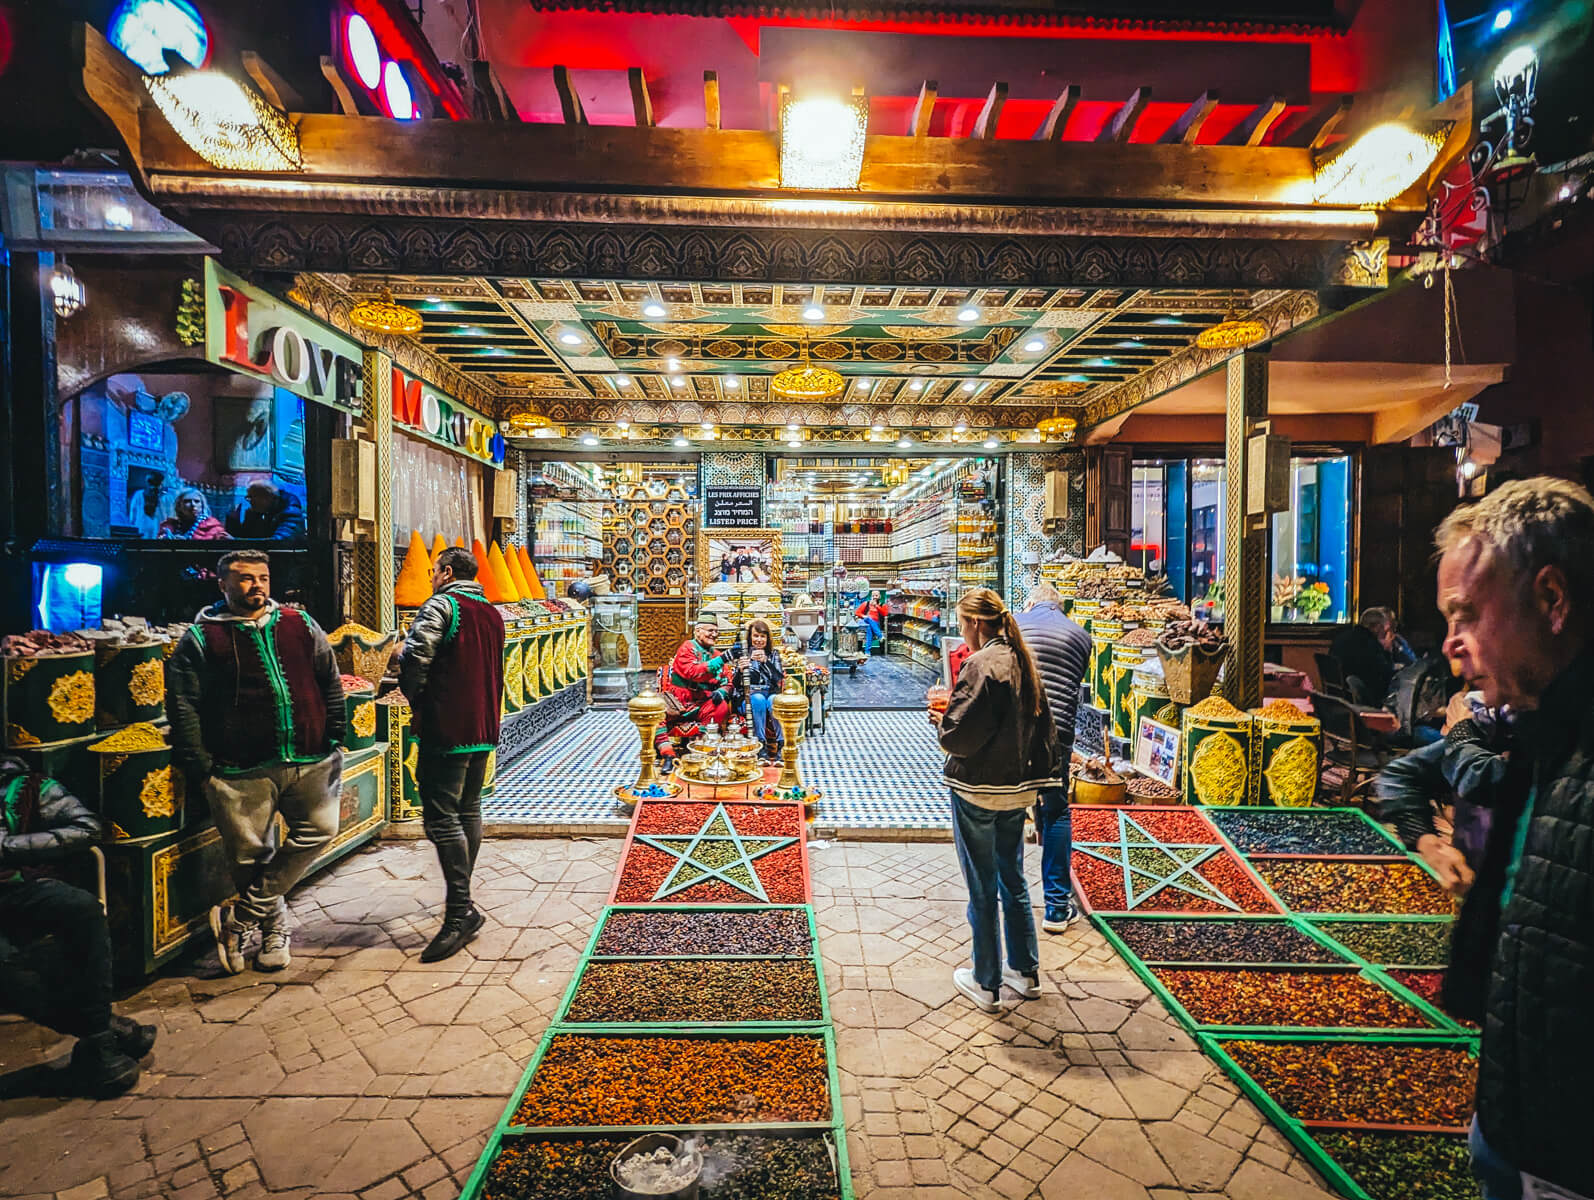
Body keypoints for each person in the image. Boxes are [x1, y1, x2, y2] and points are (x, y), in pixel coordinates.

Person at [1422, 477, 1594, 1200]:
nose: (1450, 643)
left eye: (1466, 613)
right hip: (1518, 1122)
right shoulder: (1546, 732)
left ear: (1552, 600)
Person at [167, 549, 345, 975]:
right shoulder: (201, 638)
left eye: (263, 578)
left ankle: (241, 918)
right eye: (245, 579)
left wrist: (335, 731)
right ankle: (273, 929)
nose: (257, 586)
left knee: (321, 829)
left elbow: (329, 676)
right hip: (240, 764)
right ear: (222, 584)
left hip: (310, 755)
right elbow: (184, 704)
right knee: (250, 855)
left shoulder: (300, 624)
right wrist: (200, 763)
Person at [930, 588, 1060, 1012]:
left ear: (978, 624)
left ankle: (985, 981)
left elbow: (959, 737)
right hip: (1017, 788)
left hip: (979, 790)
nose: (963, 632)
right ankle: (1024, 972)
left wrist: (941, 721)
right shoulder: (1024, 660)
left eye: (964, 624)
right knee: (1013, 879)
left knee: (982, 886)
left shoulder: (979, 665)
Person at [0, 756, 157, 1096]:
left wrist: (8, 847)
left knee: (82, 909)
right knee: (5, 968)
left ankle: (101, 1036)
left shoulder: (25, 785)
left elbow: (87, 827)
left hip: (15, 884)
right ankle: (103, 1035)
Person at [398, 546, 505, 961]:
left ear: (444, 571)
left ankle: (459, 914)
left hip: (447, 725)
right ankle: (464, 908)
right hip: (482, 726)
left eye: (432, 571)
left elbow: (415, 658)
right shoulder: (492, 612)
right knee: (468, 810)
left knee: (442, 818)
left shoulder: (441, 605)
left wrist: (417, 699)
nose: (431, 578)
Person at [1015, 581, 1091, 933]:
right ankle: (1057, 908)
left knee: (1010, 810)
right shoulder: (1081, 635)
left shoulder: (1016, 624)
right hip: (1057, 735)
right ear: (1060, 608)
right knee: (1056, 810)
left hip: (1015, 732)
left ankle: (1010, 902)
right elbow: (1075, 687)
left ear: (1030, 603)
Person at [658, 619, 737, 764]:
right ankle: (667, 753)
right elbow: (693, 672)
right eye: (710, 630)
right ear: (698, 631)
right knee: (655, 713)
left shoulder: (716, 654)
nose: (714, 634)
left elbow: (728, 681)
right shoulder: (687, 648)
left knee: (721, 707)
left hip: (701, 701)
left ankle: (702, 746)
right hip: (677, 700)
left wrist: (722, 691)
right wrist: (724, 658)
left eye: (716, 631)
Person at [1328, 607, 1403, 707]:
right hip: (1362, 700)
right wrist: (1387, 650)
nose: (1385, 633)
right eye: (1384, 630)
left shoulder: (1341, 638)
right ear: (1377, 627)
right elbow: (1385, 677)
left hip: (1338, 695)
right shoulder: (1370, 644)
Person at [738, 618, 786, 762]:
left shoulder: (773, 654)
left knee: (773, 700)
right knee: (758, 699)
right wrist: (741, 670)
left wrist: (767, 662)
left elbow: (778, 678)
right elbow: (735, 684)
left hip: (769, 693)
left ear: (767, 638)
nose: (759, 640)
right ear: (750, 637)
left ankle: (781, 744)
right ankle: (761, 745)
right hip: (748, 697)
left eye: (762, 636)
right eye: (756, 636)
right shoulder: (743, 654)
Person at [224, 481, 306, 540]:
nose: (249, 501)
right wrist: (235, 520)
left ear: (266, 498)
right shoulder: (267, 511)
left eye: (251, 497)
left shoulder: (291, 514)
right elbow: (251, 536)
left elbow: (278, 542)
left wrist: (235, 541)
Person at [158, 487, 226, 540]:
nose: (193, 505)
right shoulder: (169, 527)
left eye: (197, 501)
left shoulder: (213, 527)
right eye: (187, 501)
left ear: (202, 506)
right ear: (179, 506)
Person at [126, 472, 163, 538]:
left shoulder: (161, 497)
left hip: (155, 530)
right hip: (141, 529)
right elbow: (133, 512)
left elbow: (162, 516)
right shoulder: (138, 495)